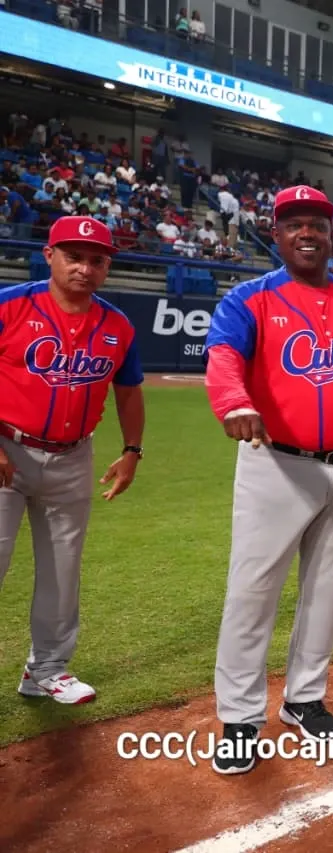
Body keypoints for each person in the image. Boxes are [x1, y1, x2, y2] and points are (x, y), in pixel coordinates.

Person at [203, 186, 333, 775]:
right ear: (279, 234)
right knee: (253, 590)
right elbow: (222, 359)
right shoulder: (249, 300)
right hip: (277, 463)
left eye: (316, 223)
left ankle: (304, 698)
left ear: (332, 234)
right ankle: (239, 717)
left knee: (327, 586)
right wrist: (234, 402)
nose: (306, 233)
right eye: (293, 224)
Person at [0, 216, 145, 705]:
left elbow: (128, 393)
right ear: (49, 255)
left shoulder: (117, 325)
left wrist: (131, 450)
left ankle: (46, 670)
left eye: (96, 260)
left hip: (73, 456)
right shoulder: (11, 306)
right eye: (74, 256)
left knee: (62, 570)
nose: (85, 267)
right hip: (6, 450)